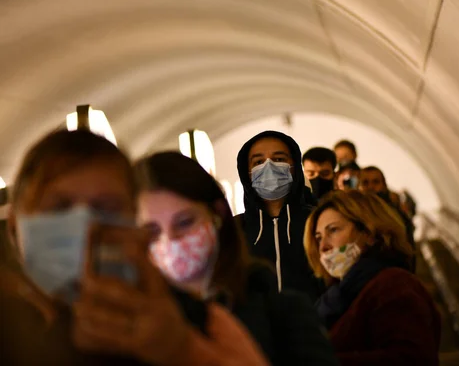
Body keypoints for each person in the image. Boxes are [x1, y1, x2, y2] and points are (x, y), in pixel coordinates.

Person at [1, 129, 268, 366]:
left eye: (105, 208)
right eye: (59, 207)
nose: (86, 228)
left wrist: (184, 352)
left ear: (135, 224)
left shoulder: (203, 323)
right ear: (15, 228)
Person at [134, 151, 338, 366]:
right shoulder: (131, 324)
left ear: (218, 214)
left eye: (185, 222)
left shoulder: (285, 312)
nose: (170, 240)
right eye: (152, 231)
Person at [304, 191, 440, 366]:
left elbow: (412, 359)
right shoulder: (342, 294)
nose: (323, 246)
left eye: (333, 230)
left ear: (369, 233)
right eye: (319, 237)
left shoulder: (394, 285)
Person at [235, 131, 323, 301]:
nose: (269, 166)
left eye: (279, 159)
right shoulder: (234, 229)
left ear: (295, 166)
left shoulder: (318, 220)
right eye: (258, 162)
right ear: (247, 172)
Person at [359, 166, 416, 251]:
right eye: (365, 182)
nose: (371, 187)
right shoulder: (357, 213)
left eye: (376, 182)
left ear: (384, 184)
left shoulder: (395, 212)